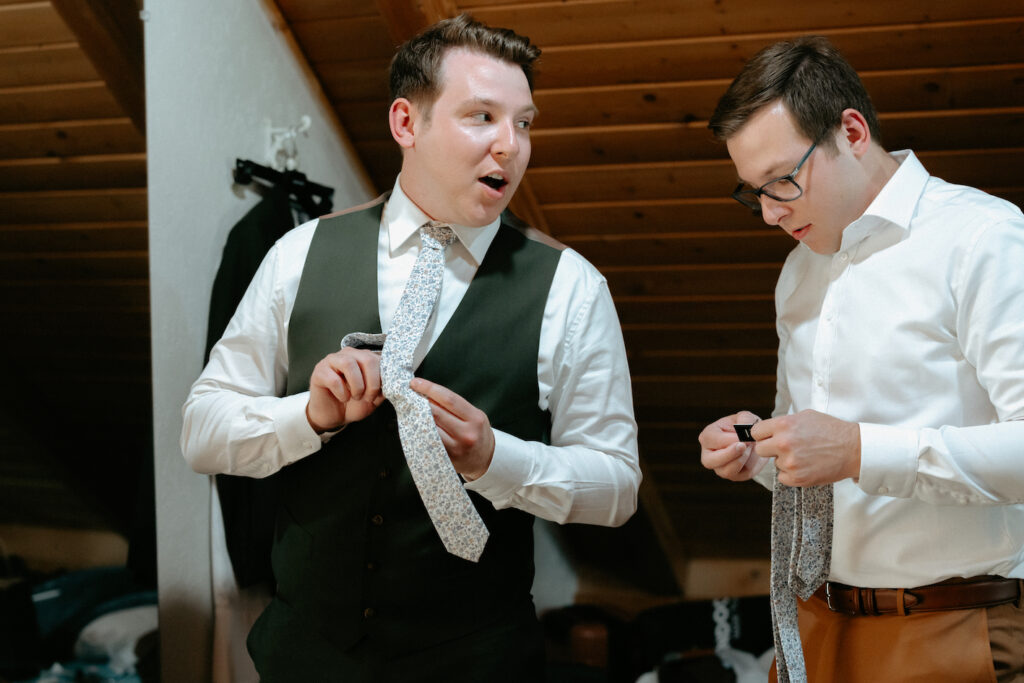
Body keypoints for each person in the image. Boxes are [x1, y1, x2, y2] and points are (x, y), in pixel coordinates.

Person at [180, 14, 640, 682]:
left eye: (525, 122)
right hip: (305, 657)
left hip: (480, 660)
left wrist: (496, 459)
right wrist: (307, 416)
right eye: (481, 116)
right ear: (407, 123)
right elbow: (201, 432)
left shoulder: (572, 288)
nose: (510, 146)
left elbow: (618, 487)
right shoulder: (298, 256)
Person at [698, 35, 1024, 682]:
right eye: (752, 192)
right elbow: (817, 455)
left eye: (782, 181)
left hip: (958, 626)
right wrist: (762, 450)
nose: (767, 213)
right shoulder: (799, 272)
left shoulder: (983, 240)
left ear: (851, 131)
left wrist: (858, 450)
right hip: (818, 627)